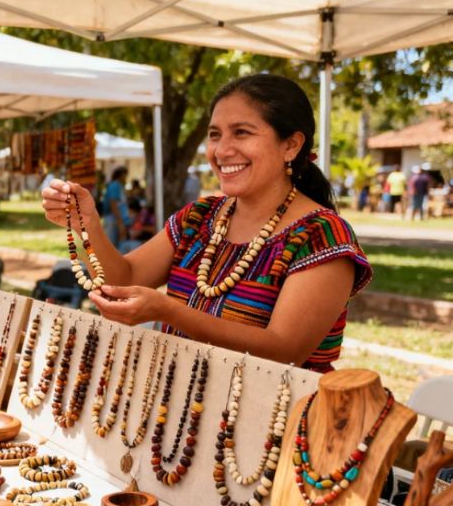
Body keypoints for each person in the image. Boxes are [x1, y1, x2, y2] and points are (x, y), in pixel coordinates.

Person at [42, 74, 372, 373]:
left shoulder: (322, 236)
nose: (222, 150)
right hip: (180, 414)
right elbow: (124, 278)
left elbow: (283, 352)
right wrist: (87, 226)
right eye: (215, 135)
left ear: (291, 145)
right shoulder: (199, 218)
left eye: (241, 133)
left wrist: (169, 311)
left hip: (274, 427)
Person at [101, 166, 131, 246]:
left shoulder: (119, 186)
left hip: (117, 219)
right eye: (125, 175)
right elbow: (113, 203)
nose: (126, 178)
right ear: (121, 175)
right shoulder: (115, 185)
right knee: (112, 246)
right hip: (113, 219)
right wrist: (120, 222)